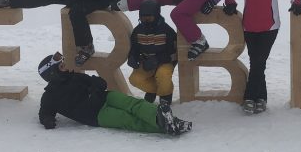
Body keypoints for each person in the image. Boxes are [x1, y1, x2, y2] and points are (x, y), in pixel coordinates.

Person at [223, 0, 301, 113]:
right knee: (257, 62)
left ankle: (249, 98)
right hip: (249, 27)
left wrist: (296, 3)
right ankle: (261, 98)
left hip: (270, 27)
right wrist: (230, 2)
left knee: (258, 62)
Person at [38, 52, 191, 135]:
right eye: (61, 66)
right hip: (95, 115)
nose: (65, 67)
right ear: (53, 73)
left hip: (105, 97)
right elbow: (44, 112)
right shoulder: (50, 96)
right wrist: (47, 120)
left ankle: (166, 118)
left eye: (64, 64)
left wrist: (97, 84)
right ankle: (163, 126)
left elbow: (100, 83)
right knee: (128, 119)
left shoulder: (75, 76)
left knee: (133, 103)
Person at [127, 0, 178, 108]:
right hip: (146, 62)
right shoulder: (137, 31)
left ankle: (165, 97)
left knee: (163, 75)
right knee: (134, 79)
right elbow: (134, 48)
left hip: (165, 62)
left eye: (149, 16)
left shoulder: (167, 31)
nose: (145, 19)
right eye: (143, 16)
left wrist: (158, 60)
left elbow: (174, 53)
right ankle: (154, 90)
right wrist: (132, 57)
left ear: (156, 15)